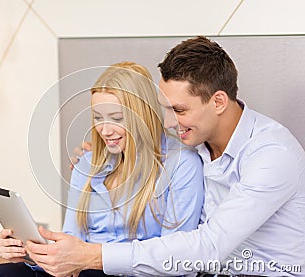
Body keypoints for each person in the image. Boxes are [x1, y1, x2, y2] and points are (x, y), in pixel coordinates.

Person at [24, 36, 305, 277]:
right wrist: (104, 156)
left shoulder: (271, 155)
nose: (169, 123)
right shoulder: (194, 145)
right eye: (165, 109)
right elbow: (148, 148)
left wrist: (92, 256)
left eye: (179, 111)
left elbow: (209, 246)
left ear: (218, 101)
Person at [0, 62, 204, 277]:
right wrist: (32, 250)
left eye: (116, 118)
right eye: (97, 118)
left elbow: (175, 258)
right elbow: (72, 239)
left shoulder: (181, 164)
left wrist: (88, 257)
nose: (104, 130)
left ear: (142, 115)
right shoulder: (87, 164)